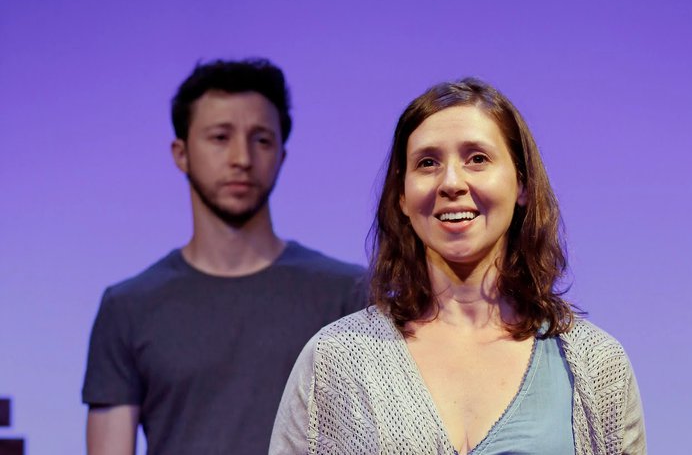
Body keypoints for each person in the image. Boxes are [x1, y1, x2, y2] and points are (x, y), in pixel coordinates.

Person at [269, 78, 646, 454]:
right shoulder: (336, 360)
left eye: (477, 159)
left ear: (522, 184)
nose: (451, 182)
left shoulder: (597, 365)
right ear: (402, 196)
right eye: (427, 163)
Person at [82, 59, 366, 455]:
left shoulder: (349, 295)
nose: (242, 158)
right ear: (181, 153)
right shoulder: (128, 307)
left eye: (261, 140)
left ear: (281, 155)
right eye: (220, 137)